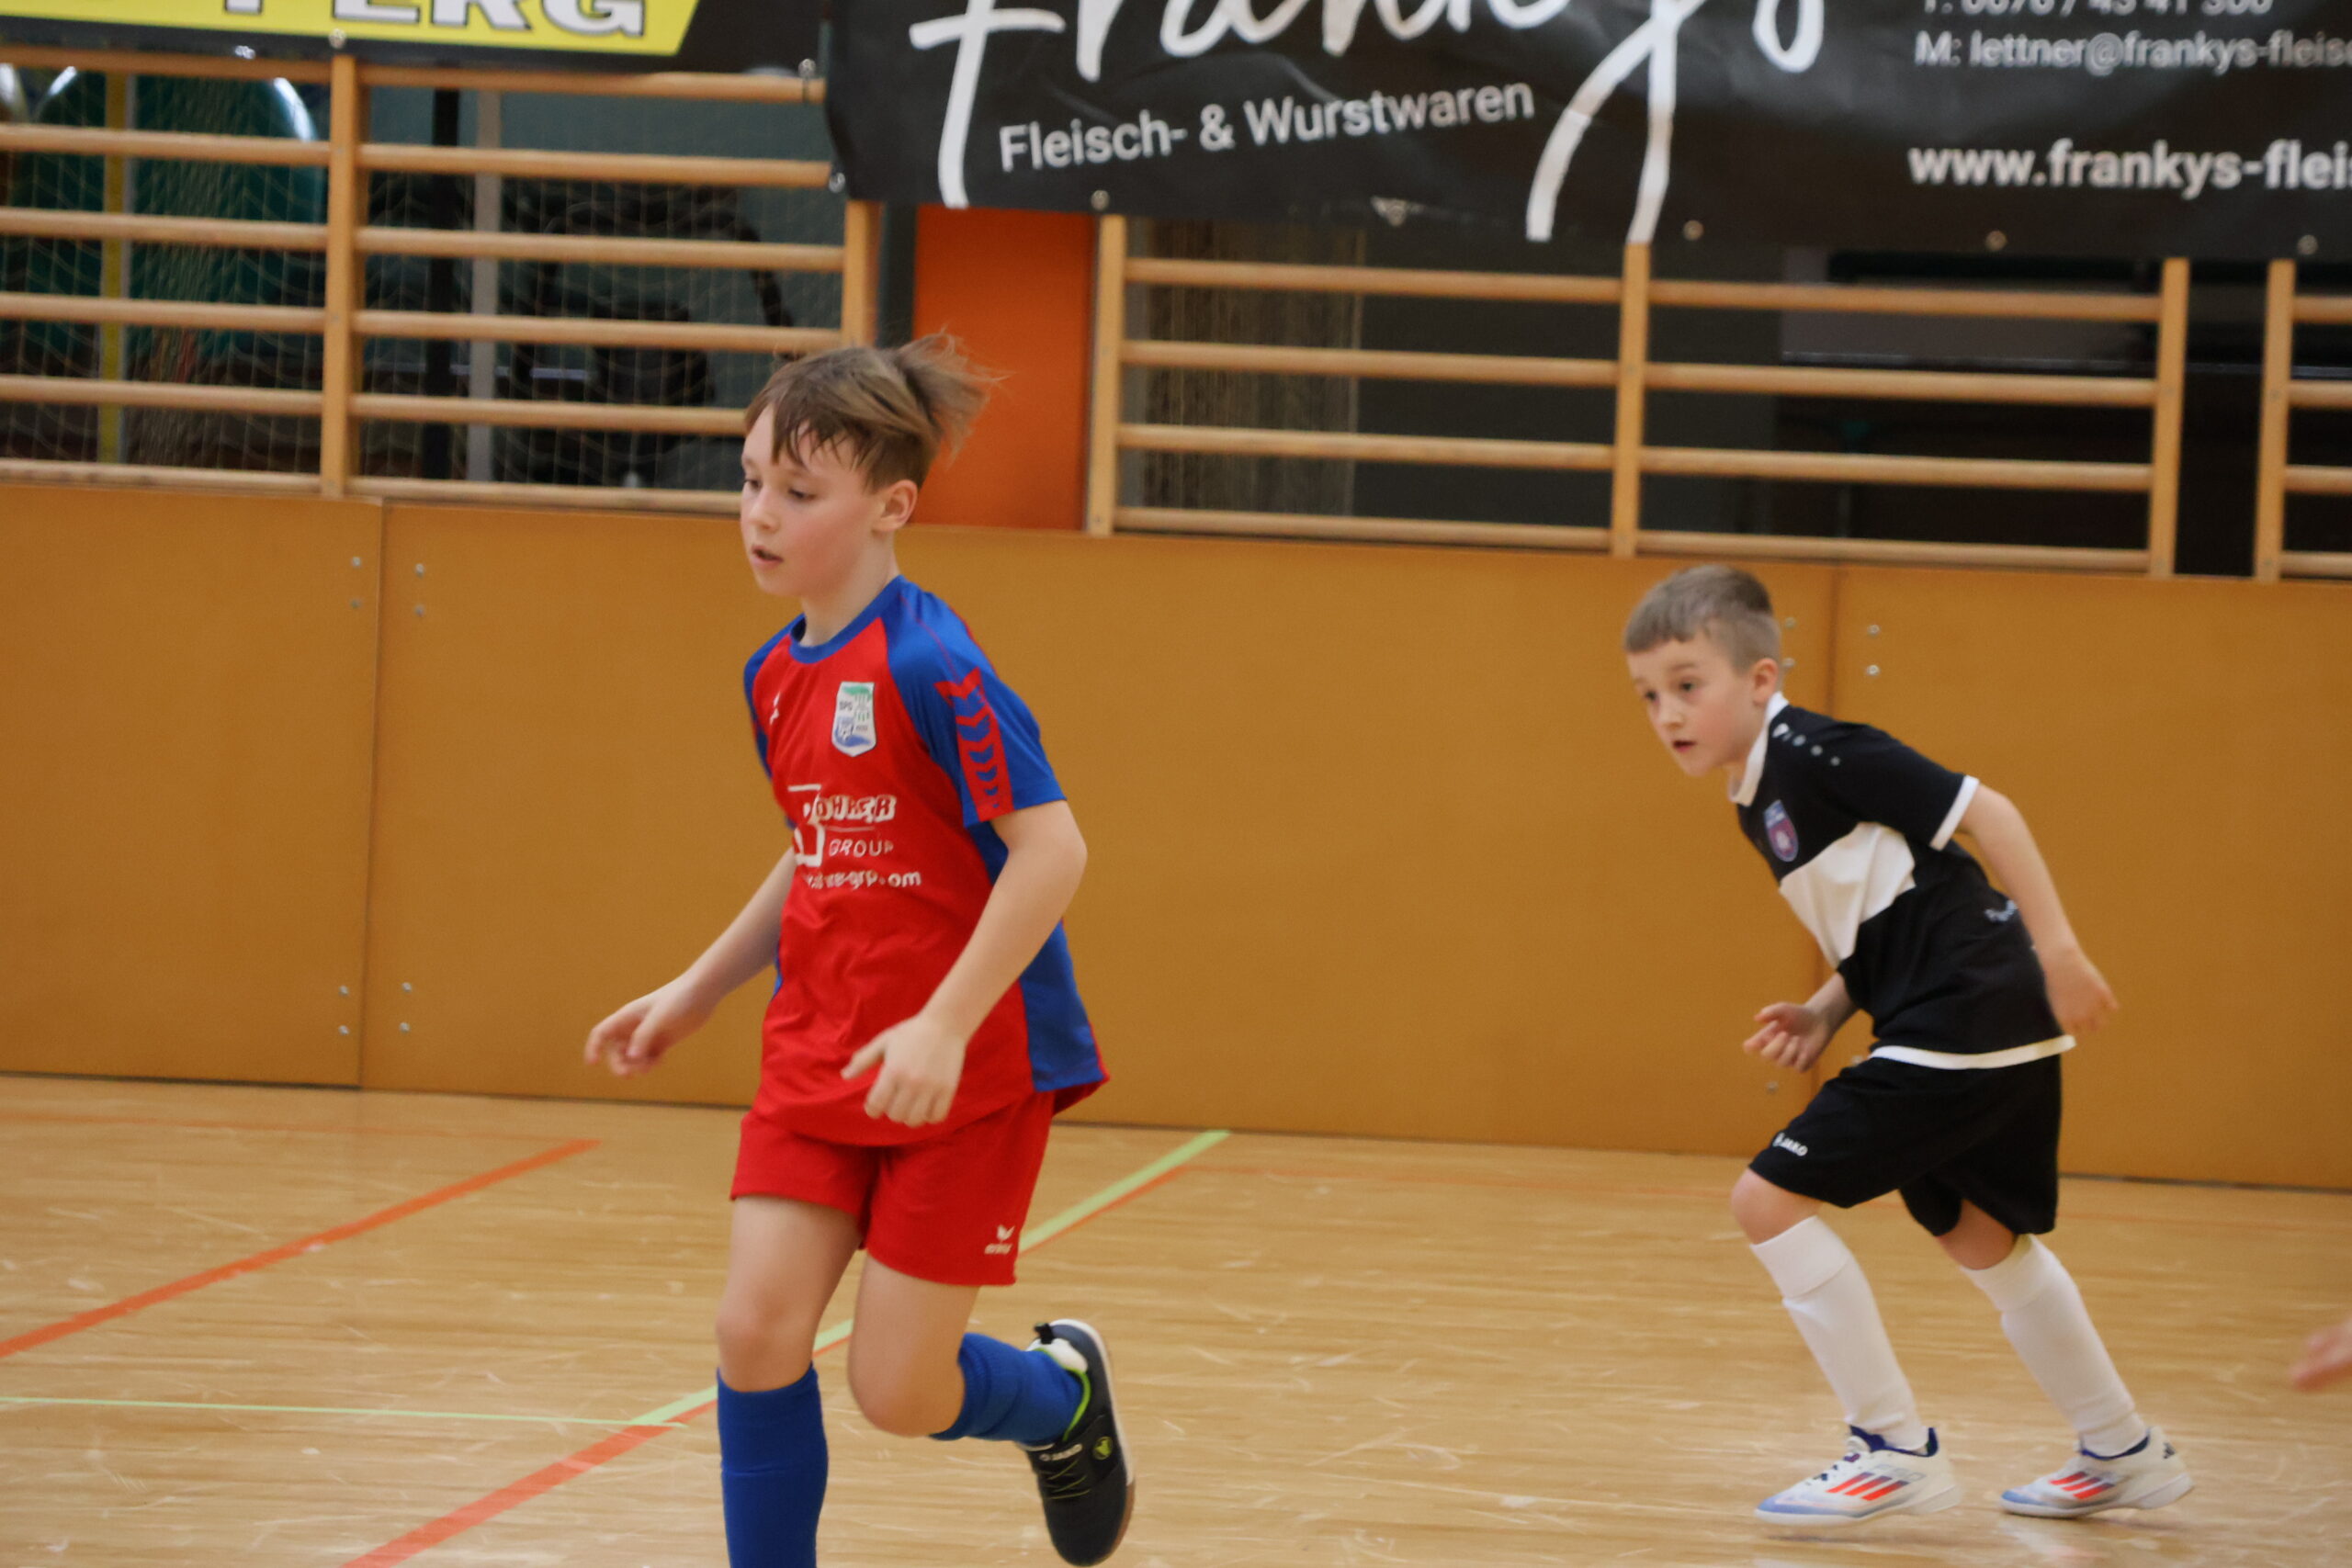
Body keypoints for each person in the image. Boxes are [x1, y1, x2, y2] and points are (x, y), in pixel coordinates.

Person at [586, 336, 1129, 1568]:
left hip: (961, 1070)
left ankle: (1062, 1400)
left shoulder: (937, 665)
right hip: (820, 1046)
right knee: (753, 1333)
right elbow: (821, 848)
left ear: (893, 507)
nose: (759, 514)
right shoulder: (774, 675)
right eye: (749, 481)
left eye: (798, 491)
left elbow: (1051, 851)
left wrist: (942, 1022)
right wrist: (699, 986)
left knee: (898, 1388)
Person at [1622, 564, 2190, 1528]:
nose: (1667, 712)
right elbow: (1895, 911)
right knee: (1978, 1234)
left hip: (1966, 1009)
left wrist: (2058, 951)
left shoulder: (1818, 750)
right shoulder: (1754, 793)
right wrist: (1824, 1010)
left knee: (1765, 1199)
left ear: (1759, 679)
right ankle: (2122, 1446)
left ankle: (1891, 1450)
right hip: (1976, 1011)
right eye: (1648, 695)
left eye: (1687, 684)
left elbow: (1990, 814)